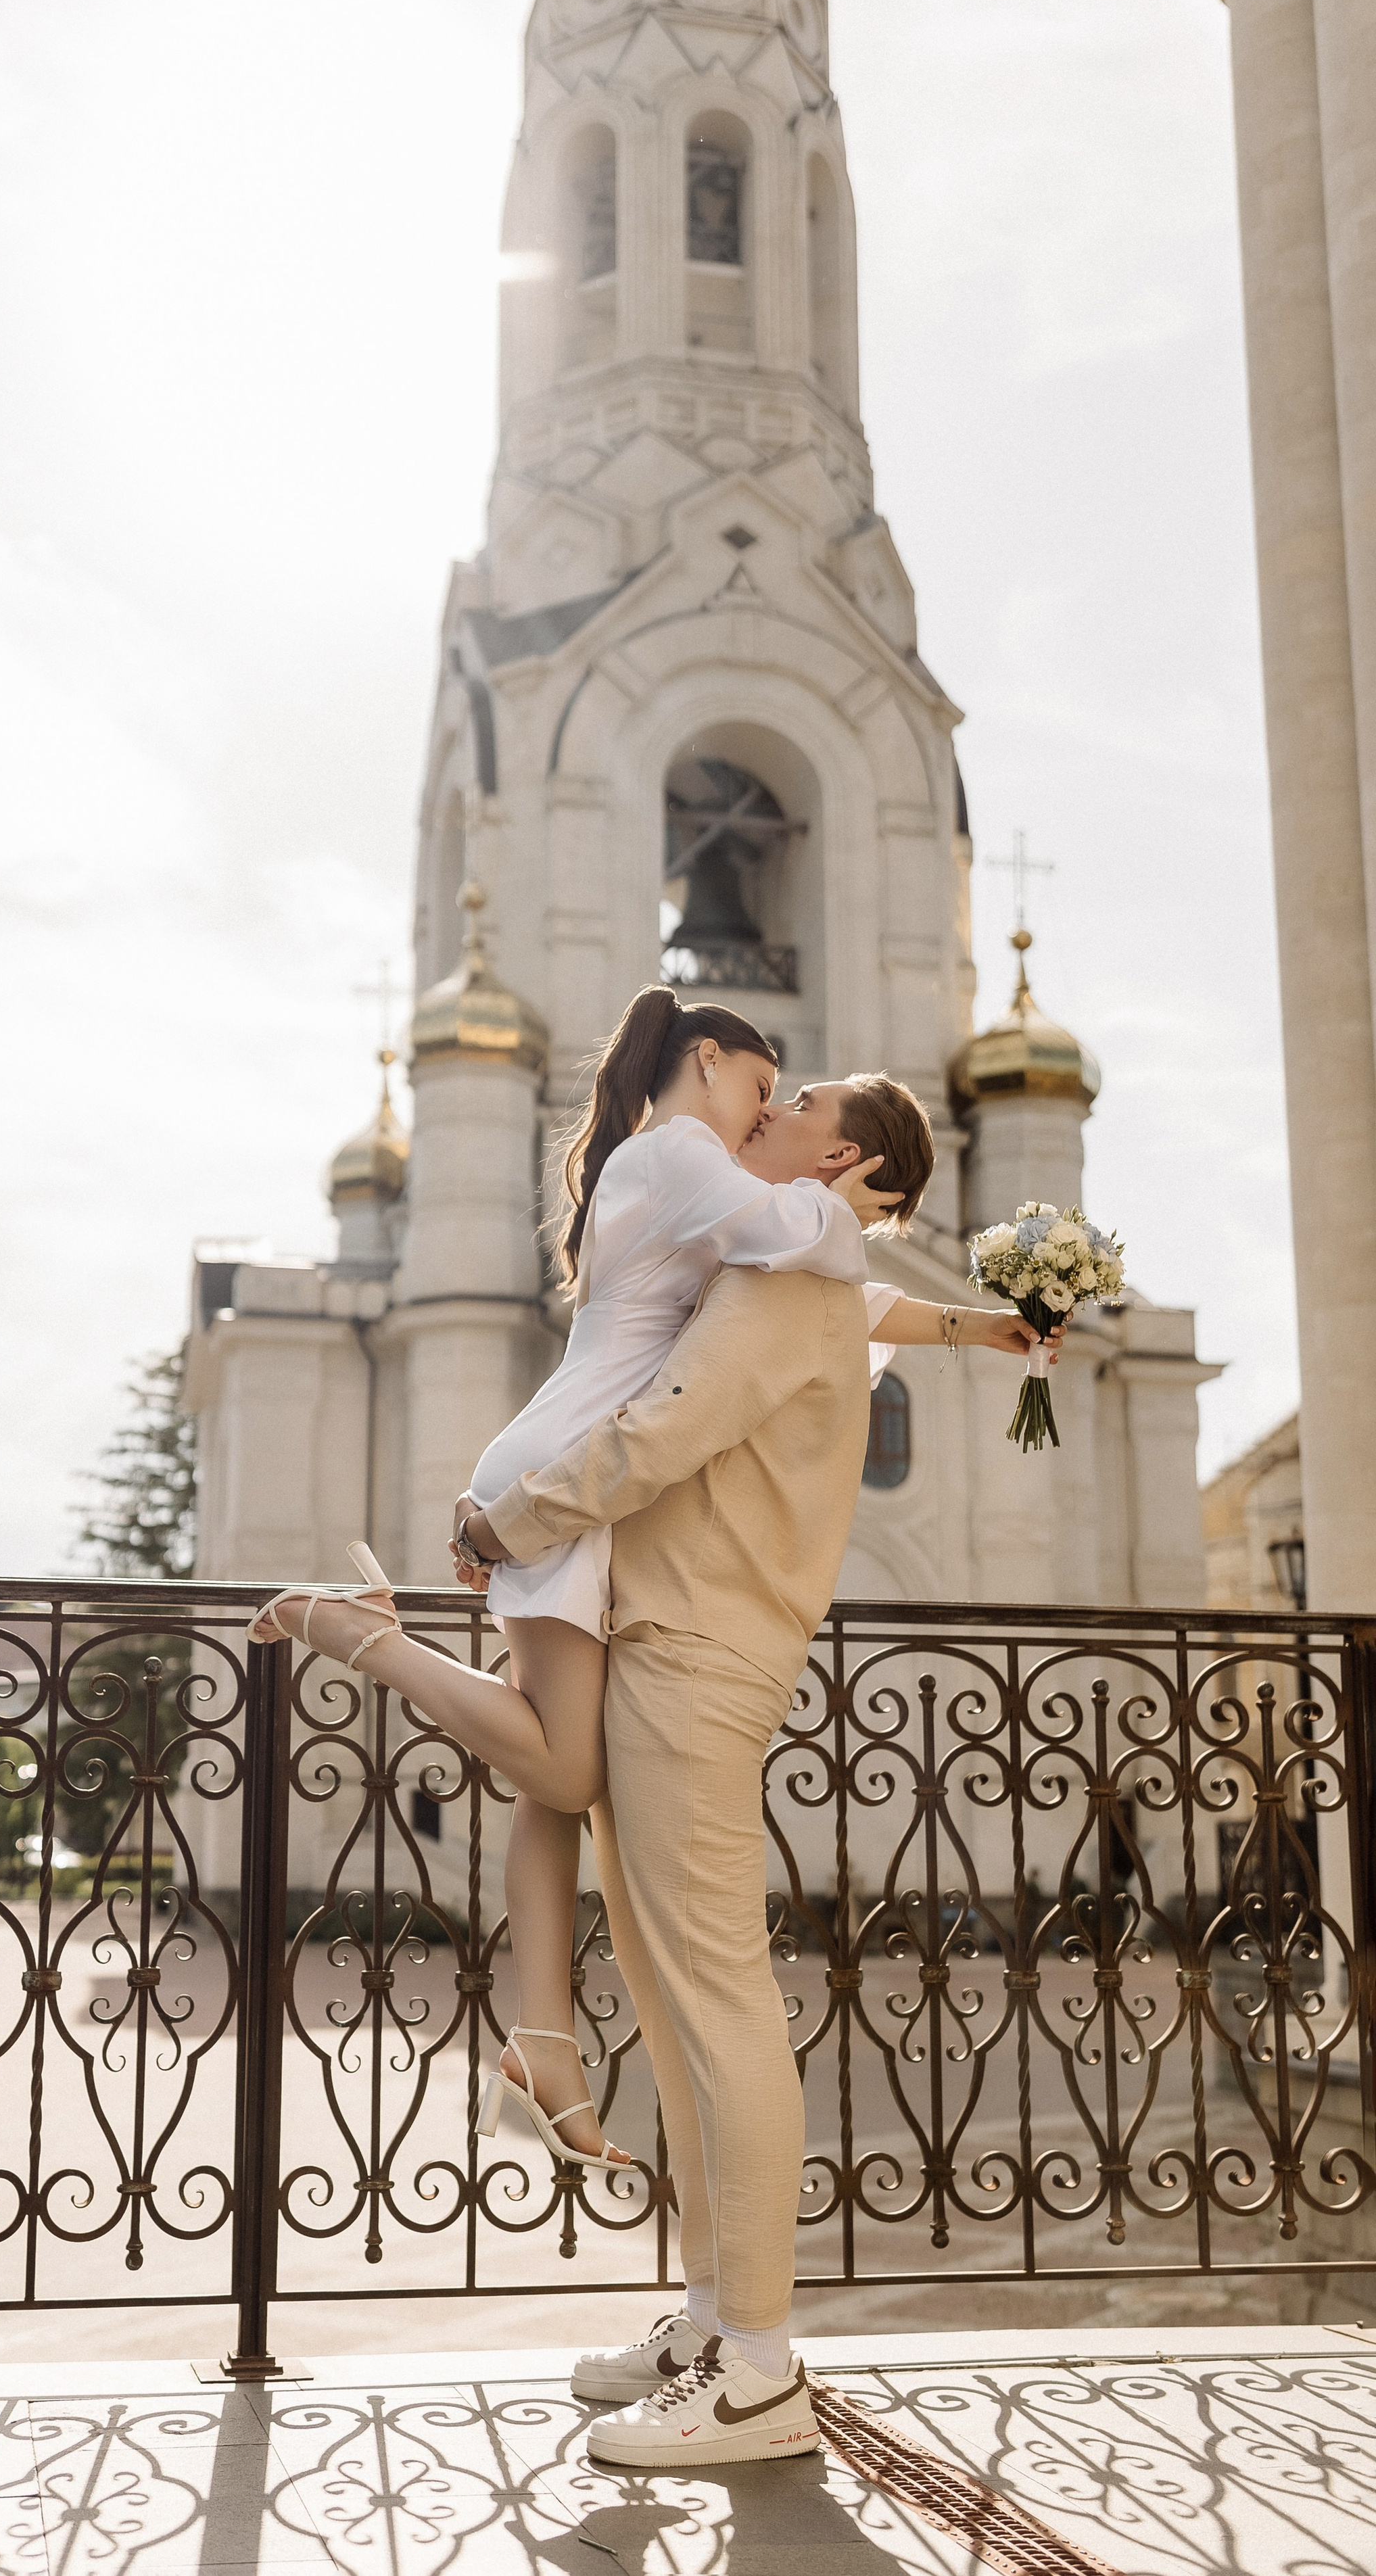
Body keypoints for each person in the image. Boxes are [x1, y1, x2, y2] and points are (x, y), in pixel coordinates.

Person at [251, 986, 1039, 2167]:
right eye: (763, 1086)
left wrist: (981, 1326)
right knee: (566, 1764)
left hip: (573, 1473)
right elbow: (817, 1249)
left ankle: (544, 2044)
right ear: (706, 1060)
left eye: (787, 1099)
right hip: (566, 1474)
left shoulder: (688, 1172)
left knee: (551, 1786)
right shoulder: (678, 1154)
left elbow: (837, 1293)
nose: (766, 1109)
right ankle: (362, 1631)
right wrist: (858, 1199)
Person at [450, 1132, 1051, 2468]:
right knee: (676, 2010)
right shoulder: (804, 1277)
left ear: (839, 1150)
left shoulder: (789, 1276)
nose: (764, 1119)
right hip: (675, 1643)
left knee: (715, 2001)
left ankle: (758, 2369)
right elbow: (863, 1308)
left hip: (689, 1651)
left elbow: (662, 1433)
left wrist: (507, 1520)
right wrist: (981, 1325)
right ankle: (714, 2321)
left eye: (794, 1103)